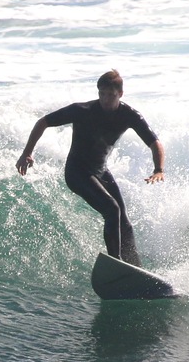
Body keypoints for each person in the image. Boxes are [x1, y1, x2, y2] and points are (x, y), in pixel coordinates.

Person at [16, 70, 164, 266]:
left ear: (120, 94)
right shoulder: (82, 110)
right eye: (101, 93)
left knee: (125, 223)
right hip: (77, 172)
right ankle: (115, 264)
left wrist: (158, 169)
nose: (105, 99)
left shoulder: (129, 115)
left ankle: (134, 269)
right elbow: (43, 122)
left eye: (110, 95)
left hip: (100, 171)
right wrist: (27, 152)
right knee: (112, 209)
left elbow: (155, 143)